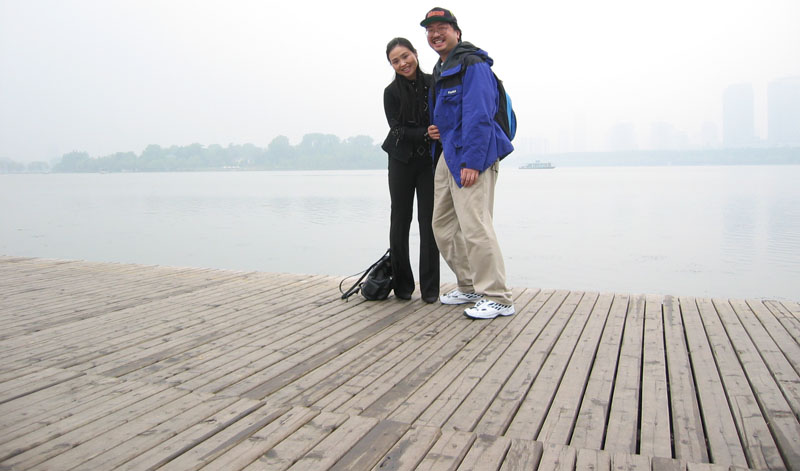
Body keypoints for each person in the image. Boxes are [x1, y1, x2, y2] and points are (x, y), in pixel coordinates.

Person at [421, 7, 515, 319]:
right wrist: (435, 130)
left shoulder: (473, 64)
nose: (435, 34)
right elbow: (450, 115)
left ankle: (498, 297)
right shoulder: (441, 69)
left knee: (476, 226)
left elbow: (479, 115)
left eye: (442, 27)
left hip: (473, 155)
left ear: (456, 32)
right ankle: (470, 285)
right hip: (447, 154)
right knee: (443, 226)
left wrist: (473, 162)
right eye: (430, 29)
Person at [382, 37, 440, 303]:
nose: (403, 63)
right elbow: (396, 129)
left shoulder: (433, 83)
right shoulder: (390, 92)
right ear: (392, 65)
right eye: (395, 61)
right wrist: (425, 134)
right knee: (400, 220)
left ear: (415, 54)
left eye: (405, 56)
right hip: (400, 161)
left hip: (428, 163)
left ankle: (430, 290)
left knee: (429, 223)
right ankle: (403, 286)